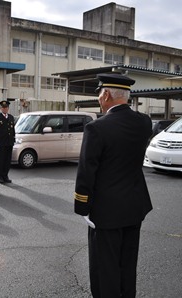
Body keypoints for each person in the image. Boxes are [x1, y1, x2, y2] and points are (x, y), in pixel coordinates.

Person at [74, 73, 153, 298]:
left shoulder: (96, 128)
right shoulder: (144, 123)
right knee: (127, 265)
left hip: (105, 212)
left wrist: (82, 206)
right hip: (135, 207)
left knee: (105, 270)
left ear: (106, 94)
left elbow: (86, 172)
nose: (99, 98)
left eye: (100, 93)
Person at [0, 100, 15, 183]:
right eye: (3, 107)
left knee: (7, 160)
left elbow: (12, 130)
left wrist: (14, 139)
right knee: (1, 160)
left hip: (9, 142)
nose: (5, 109)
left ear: (8, 108)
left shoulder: (11, 117)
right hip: (1, 143)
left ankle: (5, 175)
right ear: (0, 108)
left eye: (6, 108)